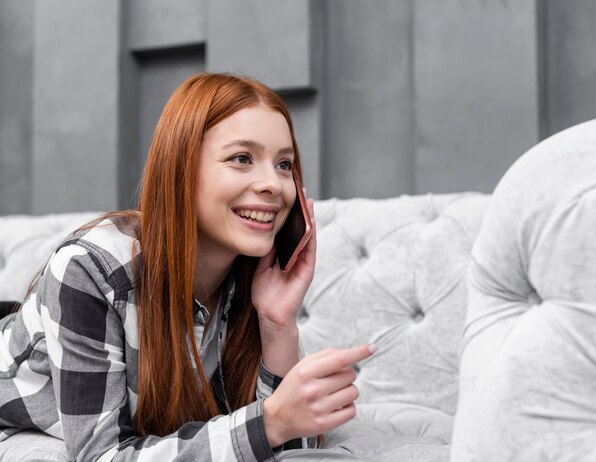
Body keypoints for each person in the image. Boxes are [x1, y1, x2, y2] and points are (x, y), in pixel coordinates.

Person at [0, 73, 375, 461]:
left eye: (284, 164)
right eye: (242, 158)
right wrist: (268, 422)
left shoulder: (246, 275)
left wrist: (278, 324)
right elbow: (102, 456)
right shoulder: (92, 269)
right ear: (181, 169)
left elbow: (292, 449)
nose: (273, 184)